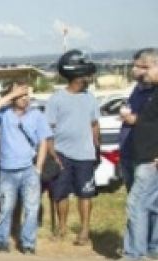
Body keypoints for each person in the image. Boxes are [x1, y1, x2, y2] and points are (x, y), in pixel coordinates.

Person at [0, 80, 52, 254]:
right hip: (7, 170)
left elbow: (43, 142)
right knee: (5, 207)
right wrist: (11, 95)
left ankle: (28, 243)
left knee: (31, 208)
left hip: (29, 170)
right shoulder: (4, 114)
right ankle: (1, 241)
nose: (24, 98)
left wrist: (38, 167)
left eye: (26, 95)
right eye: (21, 95)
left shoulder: (37, 116)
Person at [46, 50, 101, 245]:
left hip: (85, 155)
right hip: (61, 154)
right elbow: (48, 129)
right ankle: (62, 228)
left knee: (85, 194)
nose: (89, 78)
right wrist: (52, 154)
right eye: (86, 75)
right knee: (60, 194)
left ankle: (84, 231)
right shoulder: (56, 99)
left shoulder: (90, 98)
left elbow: (94, 125)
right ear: (77, 76)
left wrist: (97, 148)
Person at [111, 48, 158, 261]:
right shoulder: (143, 90)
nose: (138, 71)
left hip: (150, 157)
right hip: (136, 152)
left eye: (144, 67)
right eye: (137, 66)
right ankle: (151, 248)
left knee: (136, 202)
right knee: (149, 203)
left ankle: (134, 254)